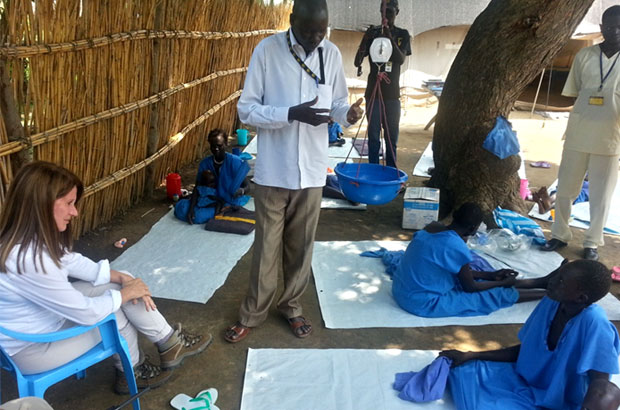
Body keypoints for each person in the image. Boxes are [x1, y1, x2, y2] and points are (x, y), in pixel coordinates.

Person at [0, 161, 212, 395]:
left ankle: (169, 342)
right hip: (32, 349)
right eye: (69, 203)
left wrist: (122, 279)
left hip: (45, 321)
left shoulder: (23, 238)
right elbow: (86, 312)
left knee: (121, 283)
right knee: (115, 313)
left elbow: (70, 260)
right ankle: (131, 370)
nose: (75, 212)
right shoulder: (29, 260)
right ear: (41, 205)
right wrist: (124, 294)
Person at [226, 0, 363, 343]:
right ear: (292, 21)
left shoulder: (329, 53)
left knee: (301, 246)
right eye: (308, 30)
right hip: (275, 168)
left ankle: (292, 307)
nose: (316, 37)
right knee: (267, 247)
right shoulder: (268, 51)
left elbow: (337, 104)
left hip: (313, 170)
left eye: (322, 30)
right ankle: (252, 313)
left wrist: (348, 115)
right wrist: (290, 113)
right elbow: (247, 111)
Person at [440, 259, 620, 410]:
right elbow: (529, 350)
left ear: (581, 298)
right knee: (463, 372)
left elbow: (602, 387)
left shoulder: (595, 324)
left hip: (562, 401)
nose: (552, 281)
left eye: (561, 281)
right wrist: (472, 355)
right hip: (528, 382)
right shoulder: (552, 301)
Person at [541, 6, 620, 261]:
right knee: (565, 189)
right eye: (609, 27)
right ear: (601, 29)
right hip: (578, 133)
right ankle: (559, 235)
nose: (615, 31)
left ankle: (592, 243)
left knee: (601, 195)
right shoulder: (585, 55)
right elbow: (574, 92)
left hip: (610, 138)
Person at [392, 203, 555, 318]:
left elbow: (455, 270)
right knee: (491, 295)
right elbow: (470, 287)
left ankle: (541, 282)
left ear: (454, 217)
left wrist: (490, 276)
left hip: (401, 290)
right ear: (472, 229)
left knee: (486, 280)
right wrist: (500, 283)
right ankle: (549, 292)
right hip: (421, 302)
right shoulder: (456, 246)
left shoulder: (431, 227)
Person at [354, 0, 411, 168]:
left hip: (392, 95)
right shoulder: (373, 34)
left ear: (397, 12)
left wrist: (389, 38)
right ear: (380, 12)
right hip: (373, 93)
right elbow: (357, 61)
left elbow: (400, 59)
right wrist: (365, 39)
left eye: (390, 13)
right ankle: (373, 170)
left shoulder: (402, 34)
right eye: (384, 13)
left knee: (391, 137)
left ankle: (391, 173)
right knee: (373, 136)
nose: (386, 17)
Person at [175, 128, 250, 224]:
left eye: (219, 145)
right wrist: (191, 209)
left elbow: (247, 186)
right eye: (213, 146)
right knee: (181, 208)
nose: (216, 149)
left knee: (198, 216)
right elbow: (198, 188)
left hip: (228, 201)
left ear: (226, 144)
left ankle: (224, 210)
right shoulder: (204, 164)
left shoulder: (235, 162)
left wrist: (242, 191)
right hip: (208, 200)